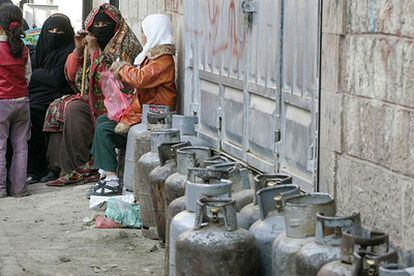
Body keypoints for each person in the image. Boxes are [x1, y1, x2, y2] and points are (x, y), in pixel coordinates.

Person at [44, 3, 142, 187]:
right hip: (95, 100)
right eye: (96, 26)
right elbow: (74, 77)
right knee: (59, 106)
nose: (100, 30)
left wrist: (95, 50)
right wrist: (79, 50)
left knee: (74, 109)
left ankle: (85, 167)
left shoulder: (127, 46)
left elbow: (112, 79)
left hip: (122, 104)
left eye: (105, 26)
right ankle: (65, 167)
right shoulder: (92, 45)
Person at [89, 14, 176, 196]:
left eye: (144, 32)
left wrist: (122, 68)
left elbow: (141, 78)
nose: (143, 36)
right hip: (141, 111)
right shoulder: (153, 57)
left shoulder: (163, 60)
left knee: (105, 129)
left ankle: (112, 180)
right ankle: (106, 173)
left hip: (153, 116)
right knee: (103, 121)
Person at [26, 14, 75, 184]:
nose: (54, 34)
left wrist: (36, 73)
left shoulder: (69, 49)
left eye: (59, 31)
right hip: (32, 95)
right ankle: (29, 169)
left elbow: (56, 79)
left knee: (34, 113)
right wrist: (43, 74)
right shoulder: (39, 49)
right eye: (51, 30)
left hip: (56, 95)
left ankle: (42, 169)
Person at [0, 4, 31, 197]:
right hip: (22, 102)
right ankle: (19, 189)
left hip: (1, 103)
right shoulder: (24, 49)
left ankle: (1, 190)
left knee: (0, 146)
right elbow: (28, 77)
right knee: (21, 146)